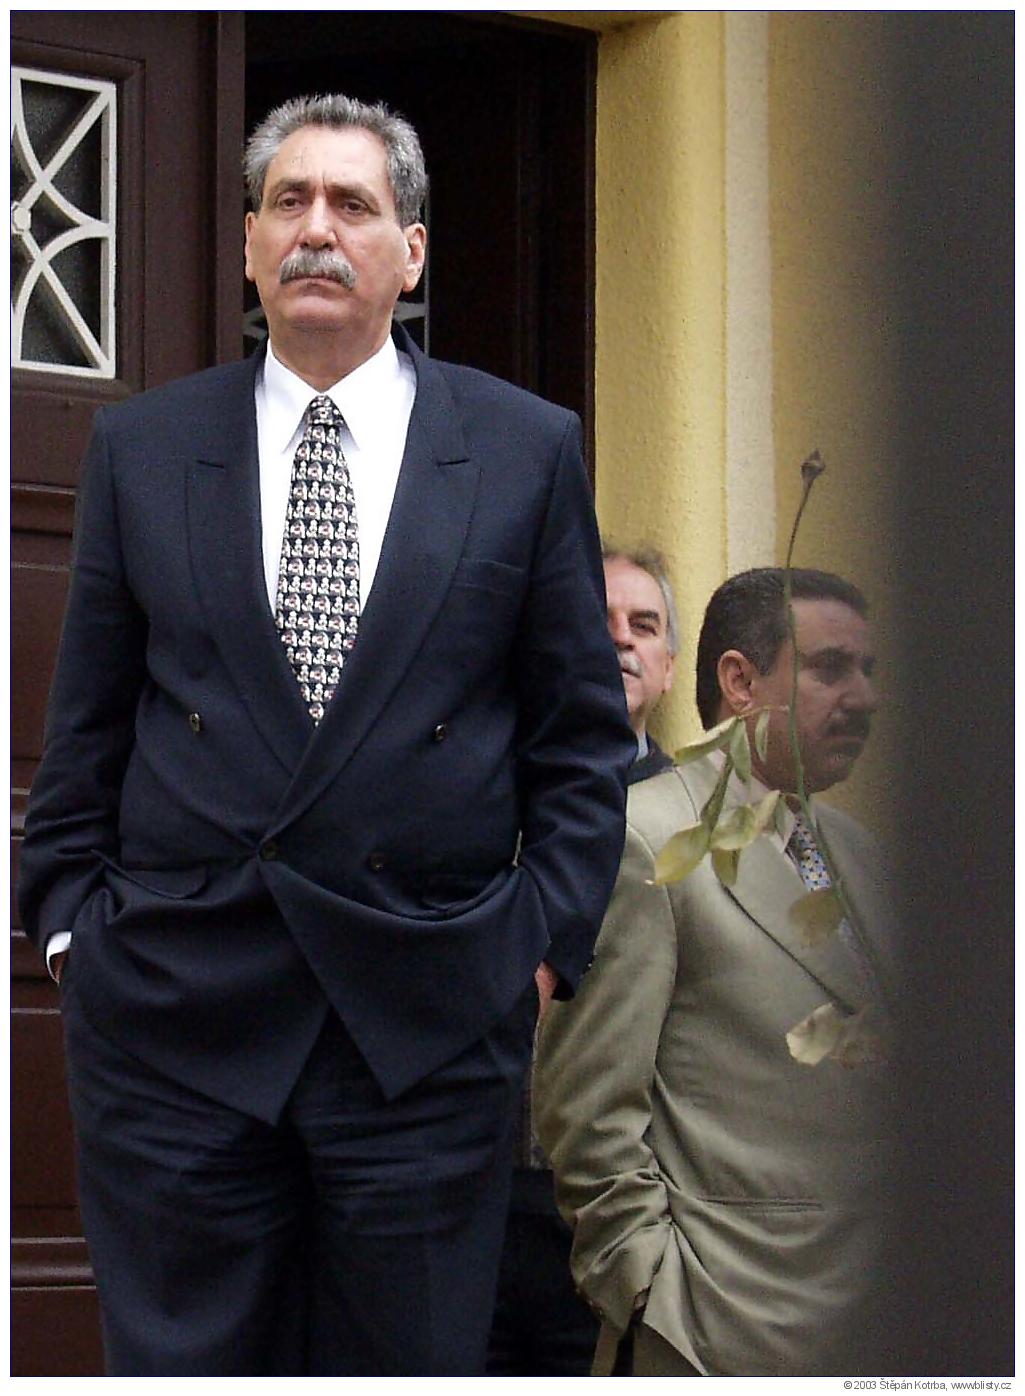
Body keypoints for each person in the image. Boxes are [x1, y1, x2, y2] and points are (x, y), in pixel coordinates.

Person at [17, 93, 635, 1377]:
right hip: (177, 1021)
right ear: (247, 242)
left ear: (410, 252)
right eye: (287, 201)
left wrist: (527, 961)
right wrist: (75, 936)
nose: (315, 229)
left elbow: (579, 745)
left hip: (423, 1022)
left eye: (352, 204)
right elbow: (85, 730)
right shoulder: (142, 447)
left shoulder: (523, 450)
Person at [534, 566, 899, 1376]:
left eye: (868, 671)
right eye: (830, 668)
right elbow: (584, 1112)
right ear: (740, 681)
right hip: (717, 1331)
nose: (864, 697)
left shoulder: (864, 857)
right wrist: (647, 1293)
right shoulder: (644, 838)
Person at [487, 544, 678, 1374]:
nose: (620, 640)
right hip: (474, 1200)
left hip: (622, 1220)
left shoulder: (697, 828)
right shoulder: (478, 794)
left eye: (644, 625)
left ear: (669, 667)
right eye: (598, 621)